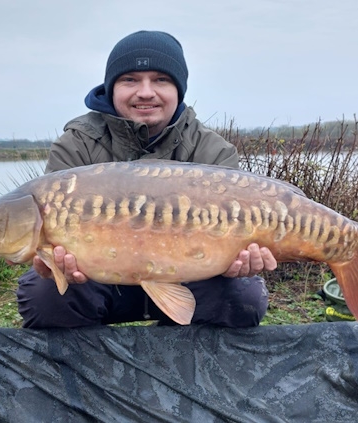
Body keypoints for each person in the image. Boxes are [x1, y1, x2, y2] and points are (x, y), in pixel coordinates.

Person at [17, 30, 277, 328]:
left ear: (178, 90)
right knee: (43, 295)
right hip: (99, 282)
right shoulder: (77, 145)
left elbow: (241, 241)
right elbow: (50, 245)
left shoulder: (212, 151)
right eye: (130, 80)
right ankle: (91, 366)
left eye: (160, 80)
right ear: (111, 87)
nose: (145, 92)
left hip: (190, 277)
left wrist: (242, 260)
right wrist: (50, 264)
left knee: (244, 296)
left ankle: (179, 359)